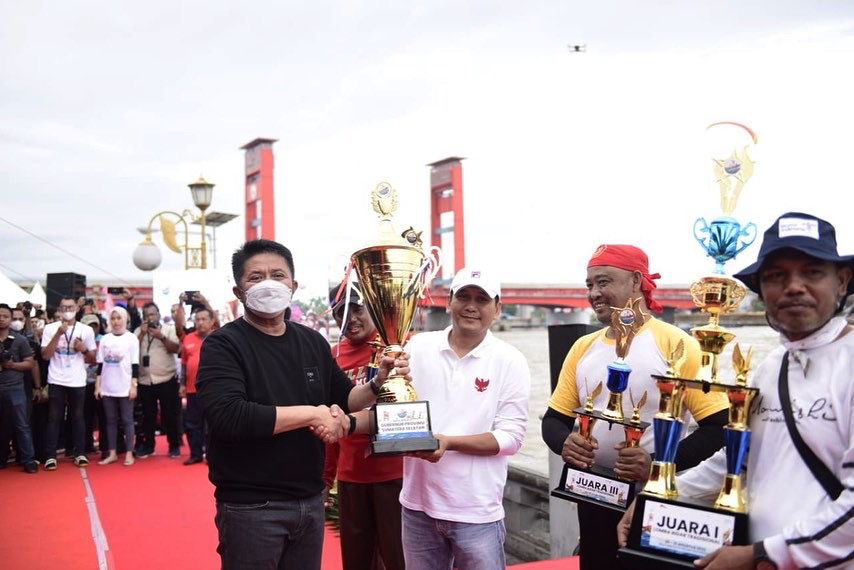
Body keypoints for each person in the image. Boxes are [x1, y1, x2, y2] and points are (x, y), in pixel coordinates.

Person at [619, 213, 854, 570]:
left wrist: (763, 554)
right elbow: (737, 460)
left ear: (842, 282)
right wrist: (659, 498)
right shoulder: (770, 366)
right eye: (776, 276)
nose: (793, 286)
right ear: (762, 290)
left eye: (812, 272)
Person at [197, 239, 407, 570]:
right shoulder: (223, 345)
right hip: (252, 506)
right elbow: (230, 416)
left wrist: (378, 381)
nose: (268, 283)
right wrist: (313, 414)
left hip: (308, 503)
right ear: (238, 291)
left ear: (293, 286)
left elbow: (344, 398)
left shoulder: (311, 341)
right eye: (256, 277)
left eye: (278, 275)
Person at [541, 244, 729, 568]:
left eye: (604, 282)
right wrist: (564, 443)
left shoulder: (676, 343)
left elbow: (719, 427)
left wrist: (658, 465)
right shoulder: (582, 347)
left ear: (636, 281)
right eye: (589, 285)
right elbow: (553, 420)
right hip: (593, 492)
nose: (594, 293)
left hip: (653, 496)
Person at [400, 268, 530, 570]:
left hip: (477, 511)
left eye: (482, 299)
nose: (471, 306)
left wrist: (449, 442)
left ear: (496, 309)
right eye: (464, 296)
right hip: (418, 506)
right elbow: (395, 408)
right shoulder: (418, 347)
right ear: (449, 301)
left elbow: (512, 437)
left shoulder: (510, 360)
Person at [323, 283, 405, 570]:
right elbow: (329, 423)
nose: (349, 319)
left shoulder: (398, 347)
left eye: (356, 308)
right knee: (356, 562)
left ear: (372, 306)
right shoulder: (331, 356)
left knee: (399, 559)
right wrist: (325, 478)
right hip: (351, 477)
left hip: (395, 476)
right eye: (340, 313)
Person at [41, 296, 97, 470]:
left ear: (77, 309)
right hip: (56, 378)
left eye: (70, 307)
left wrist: (84, 350)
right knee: (54, 417)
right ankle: (50, 456)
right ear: (59, 309)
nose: (67, 310)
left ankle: (79, 453)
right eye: (64, 307)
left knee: (78, 416)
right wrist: (58, 334)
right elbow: (45, 355)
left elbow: (94, 359)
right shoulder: (50, 329)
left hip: (77, 379)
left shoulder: (86, 330)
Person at [134, 302, 181, 458]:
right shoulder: (138, 331)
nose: (149, 318)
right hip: (145, 380)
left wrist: (161, 336)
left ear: (159, 314)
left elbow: (176, 349)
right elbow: (132, 350)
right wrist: (142, 333)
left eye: (152, 314)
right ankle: (149, 446)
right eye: (146, 315)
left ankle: (174, 445)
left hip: (167, 378)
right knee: (148, 416)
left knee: (170, 414)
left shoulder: (168, 329)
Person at [94, 307, 139, 466]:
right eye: (113, 318)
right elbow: (100, 365)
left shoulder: (132, 338)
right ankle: (112, 453)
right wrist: (97, 387)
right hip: (107, 386)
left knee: (127, 420)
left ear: (125, 319)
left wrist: (134, 386)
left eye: (119, 318)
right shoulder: (105, 339)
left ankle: (129, 453)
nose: (116, 321)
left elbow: (135, 365)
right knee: (110, 421)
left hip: (125, 386)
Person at [0, 303, 38, 473]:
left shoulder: (20, 340)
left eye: (5, 316)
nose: (2, 319)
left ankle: (28, 460)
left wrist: (11, 365)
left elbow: (30, 363)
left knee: (22, 425)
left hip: (15, 389)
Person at [179, 306, 214, 465]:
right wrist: (182, 385)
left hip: (214, 390)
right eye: (197, 319)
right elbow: (184, 364)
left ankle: (212, 454)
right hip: (193, 389)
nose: (200, 322)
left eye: (203, 319)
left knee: (213, 424)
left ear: (211, 321)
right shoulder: (188, 338)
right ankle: (196, 453)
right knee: (193, 423)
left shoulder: (218, 337)